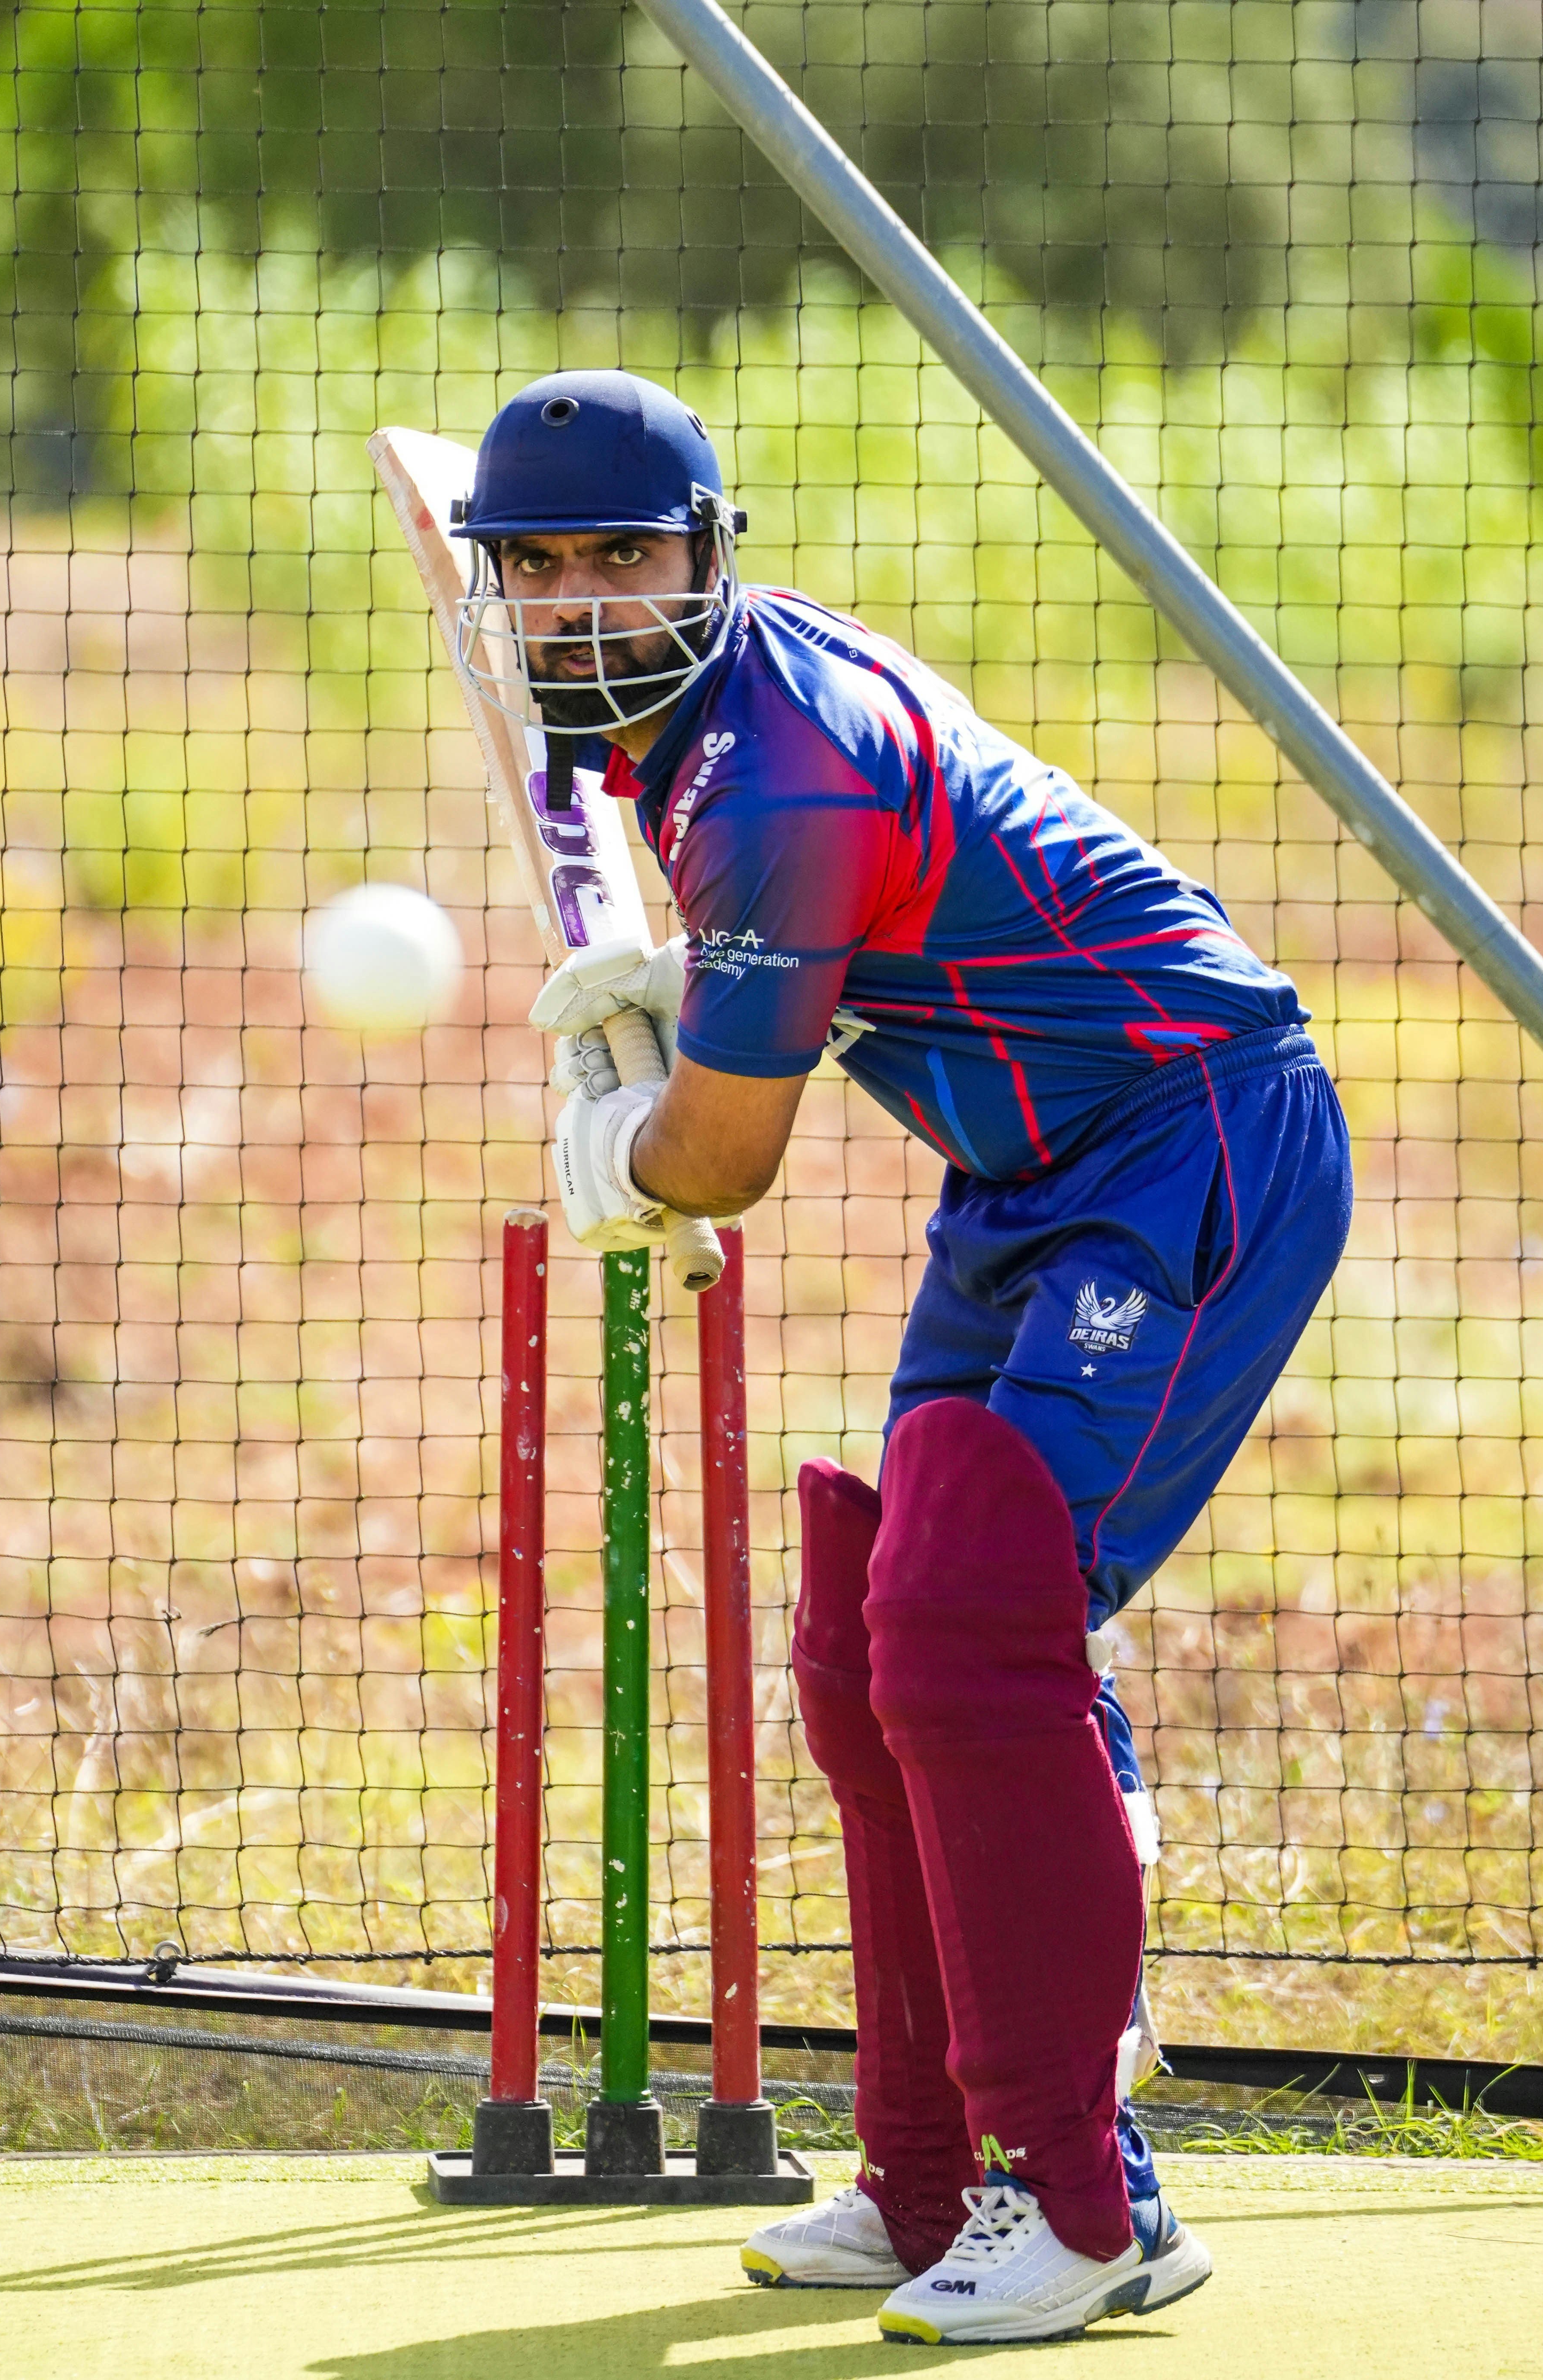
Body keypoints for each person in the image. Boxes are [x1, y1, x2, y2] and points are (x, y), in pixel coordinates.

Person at [454, 369, 1352, 2347]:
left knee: (973, 1628)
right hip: (1021, 1174)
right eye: (543, 568)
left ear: (711, 555)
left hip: (1187, 1139)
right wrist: (687, 990)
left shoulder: (779, 777)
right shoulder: (694, 728)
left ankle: (1087, 2199)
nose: (589, 599)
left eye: (630, 556)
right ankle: (936, 2175)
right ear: (496, 591)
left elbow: (727, 1162)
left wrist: (620, 1147)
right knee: (873, 1651)